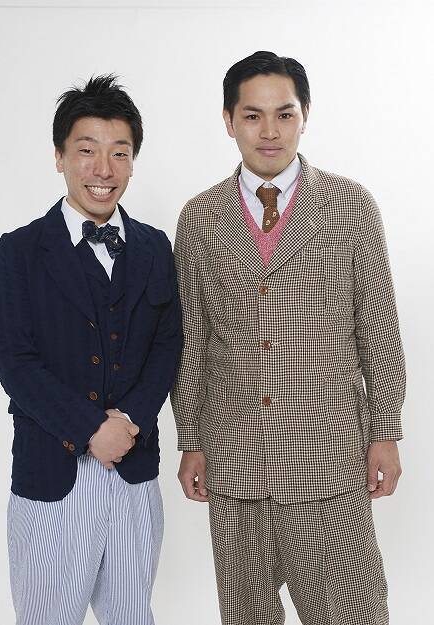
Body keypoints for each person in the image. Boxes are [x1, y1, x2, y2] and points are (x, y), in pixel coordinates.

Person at [171, 51, 405, 625]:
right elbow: (193, 339)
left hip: (328, 457)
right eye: (252, 116)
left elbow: (378, 326)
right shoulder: (201, 217)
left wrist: (385, 430)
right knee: (247, 616)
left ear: (306, 115)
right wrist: (190, 439)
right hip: (236, 458)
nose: (269, 132)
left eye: (284, 114)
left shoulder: (349, 206)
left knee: (354, 614)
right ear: (229, 120)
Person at [0, 74, 182, 625]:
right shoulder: (20, 250)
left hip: (134, 473)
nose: (104, 169)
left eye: (119, 152)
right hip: (52, 475)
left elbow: (168, 344)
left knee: (132, 615)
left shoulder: (154, 247)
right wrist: (92, 428)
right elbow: (15, 362)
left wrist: (131, 420)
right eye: (87, 150)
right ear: (59, 157)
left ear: (132, 161)